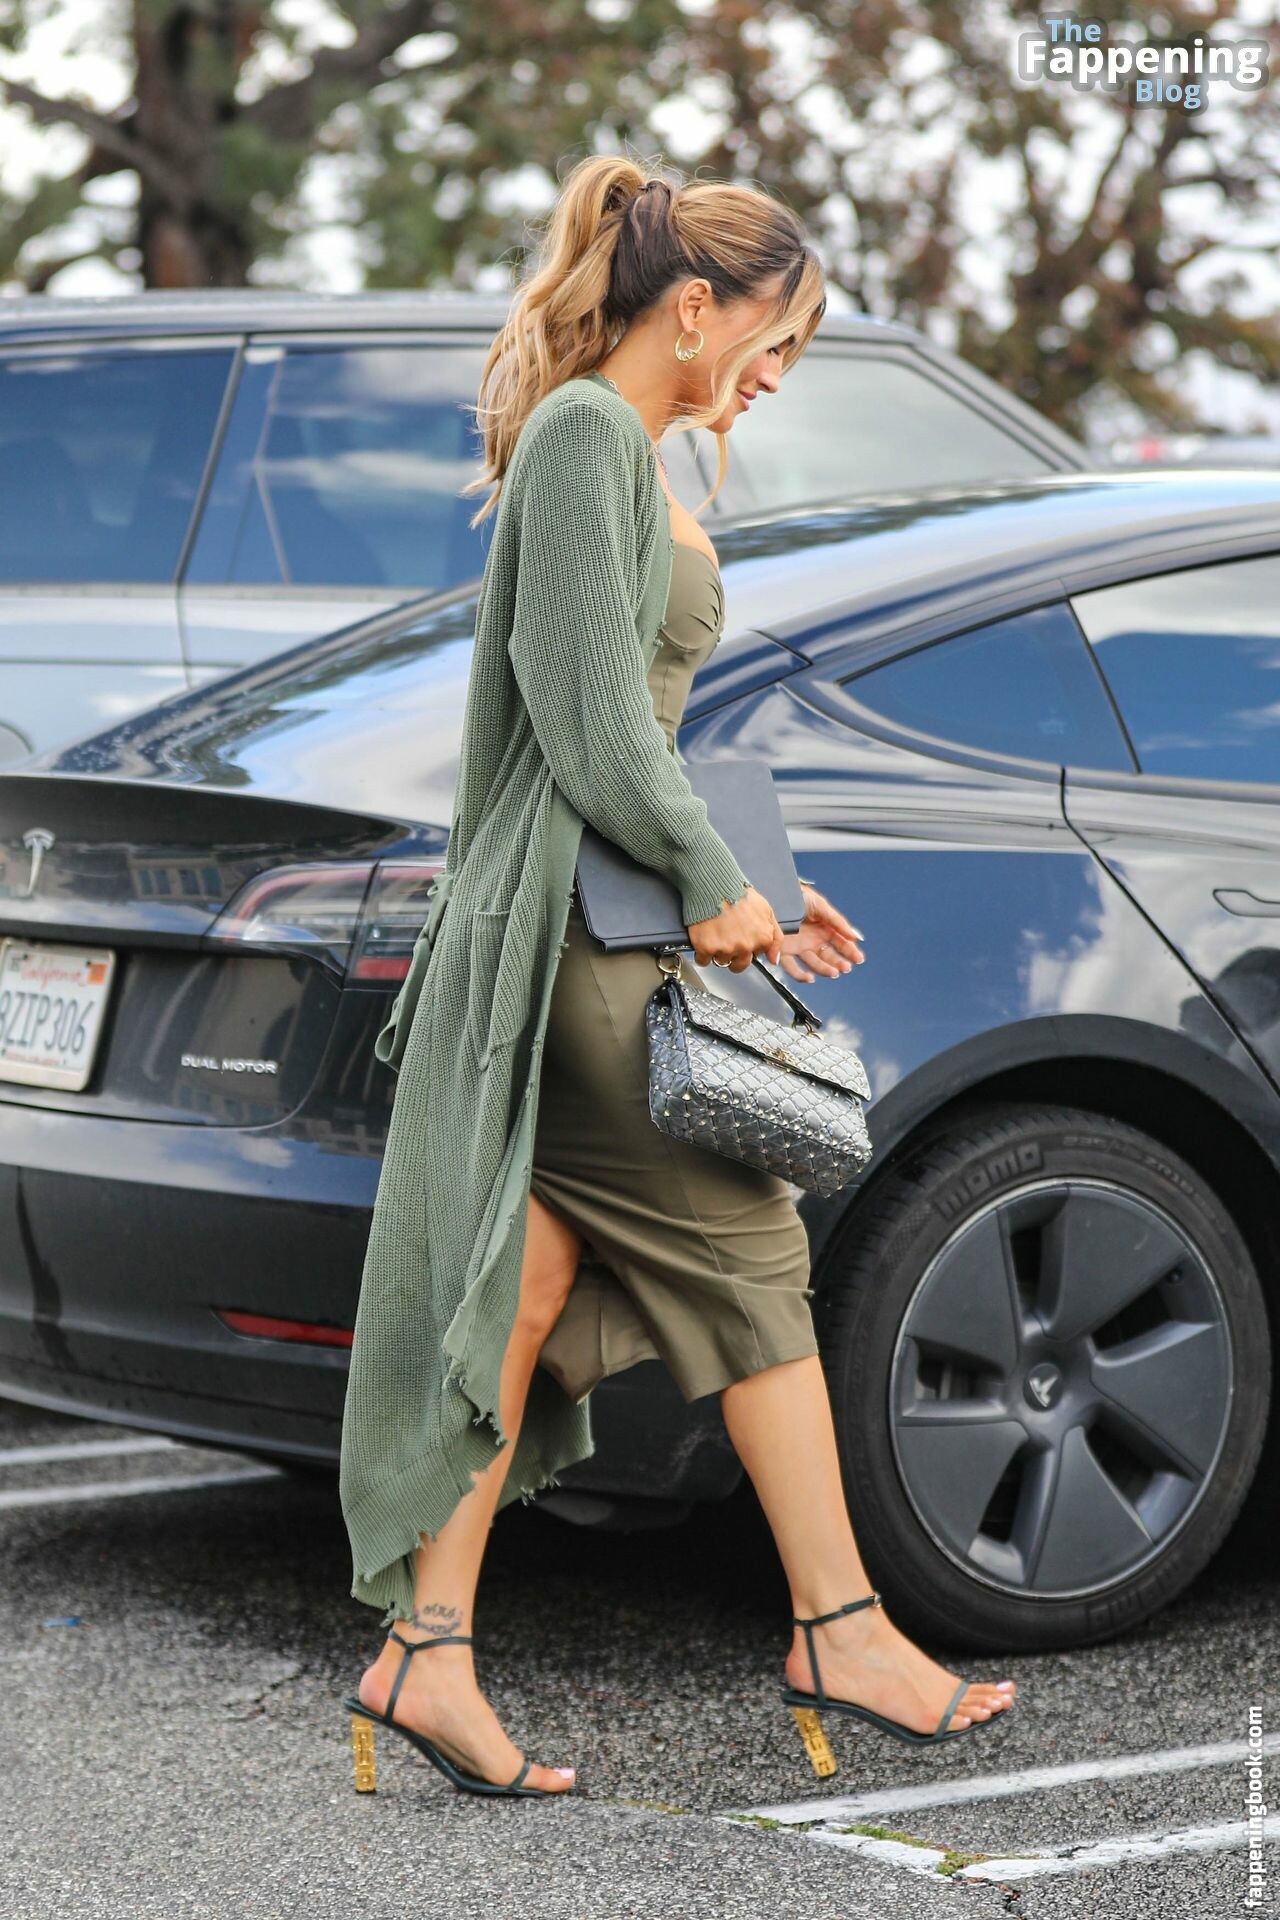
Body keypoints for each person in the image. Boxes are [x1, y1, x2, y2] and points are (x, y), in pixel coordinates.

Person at [339, 154, 1017, 1800]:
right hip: (577, 944)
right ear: (696, 306)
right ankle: (842, 1629)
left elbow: (628, 731)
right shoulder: (588, 433)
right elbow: (587, 728)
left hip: (600, 908)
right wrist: (713, 886)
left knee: (529, 1289)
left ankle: (428, 1651)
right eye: (777, 341)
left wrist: (757, 883)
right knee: (753, 1250)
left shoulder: (614, 448)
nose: (776, 378)